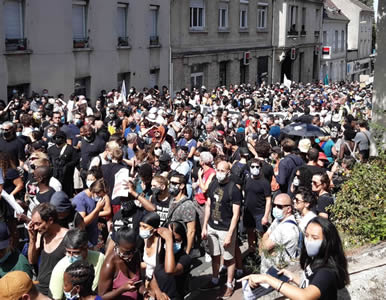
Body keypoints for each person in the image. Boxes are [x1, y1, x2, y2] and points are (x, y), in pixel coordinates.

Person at [240, 217, 349, 300]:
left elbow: (305, 296)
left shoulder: (326, 271)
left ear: (327, 241)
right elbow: (310, 284)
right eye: (306, 235)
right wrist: (291, 277)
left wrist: (267, 279)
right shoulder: (316, 258)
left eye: (314, 237)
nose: (308, 241)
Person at [200, 161, 241, 299]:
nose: (219, 173)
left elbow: (236, 214)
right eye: (217, 169)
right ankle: (215, 279)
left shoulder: (234, 189)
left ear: (228, 172)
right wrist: (205, 226)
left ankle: (229, 283)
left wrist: (230, 234)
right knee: (215, 255)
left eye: (222, 170)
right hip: (212, 226)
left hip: (225, 228)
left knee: (229, 258)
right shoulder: (213, 184)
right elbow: (208, 205)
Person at [49, 229, 105, 300]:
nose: (71, 257)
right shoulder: (60, 269)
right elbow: (56, 298)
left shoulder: (100, 259)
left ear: (86, 248)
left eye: (76, 253)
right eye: (68, 252)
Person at [28, 203, 68, 295]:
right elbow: (32, 260)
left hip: (58, 292)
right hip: (41, 289)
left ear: (50, 220)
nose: (35, 228)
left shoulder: (68, 238)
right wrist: (32, 239)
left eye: (38, 224)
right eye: (33, 224)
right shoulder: (41, 236)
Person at [98, 227, 144, 300]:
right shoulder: (110, 264)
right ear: (117, 246)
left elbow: (139, 284)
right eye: (126, 253)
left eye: (133, 250)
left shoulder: (136, 255)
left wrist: (145, 291)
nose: (130, 255)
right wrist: (122, 289)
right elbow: (101, 297)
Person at [149, 222, 192, 300]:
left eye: (175, 240)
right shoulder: (160, 254)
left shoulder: (185, 258)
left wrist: (169, 239)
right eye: (168, 239)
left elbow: (170, 270)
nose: (173, 243)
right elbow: (153, 277)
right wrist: (159, 293)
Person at [260, 193, 300, 273]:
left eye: (279, 206)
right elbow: (265, 236)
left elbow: (263, 248)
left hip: (276, 273)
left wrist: (266, 239)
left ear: (289, 209)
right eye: (274, 205)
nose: (275, 208)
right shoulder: (278, 220)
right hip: (268, 268)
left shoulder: (286, 228)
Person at [243, 159, 271, 253]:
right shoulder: (247, 179)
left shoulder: (265, 182)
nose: (255, 168)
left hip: (260, 212)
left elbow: (268, 199)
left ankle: (261, 254)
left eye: (257, 167)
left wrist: (266, 216)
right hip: (248, 212)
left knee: (261, 234)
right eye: (252, 166)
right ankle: (252, 252)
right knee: (250, 232)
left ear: (260, 168)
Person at [166, 173, 196, 254]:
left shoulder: (188, 205)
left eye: (174, 183)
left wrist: (187, 251)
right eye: (170, 182)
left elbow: (191, 231)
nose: (171, 185)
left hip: (180, 245)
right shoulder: (172, 200)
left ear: (182, 186)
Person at [47, 131, 79, 197]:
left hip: (67, 177)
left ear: (64, 139)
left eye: (60, 138)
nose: (58, 139)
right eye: (56, 137)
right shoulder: (51, 149)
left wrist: (67, 165)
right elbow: (48, 161)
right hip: (54, 176)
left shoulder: (70, 149)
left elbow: (76, 160)